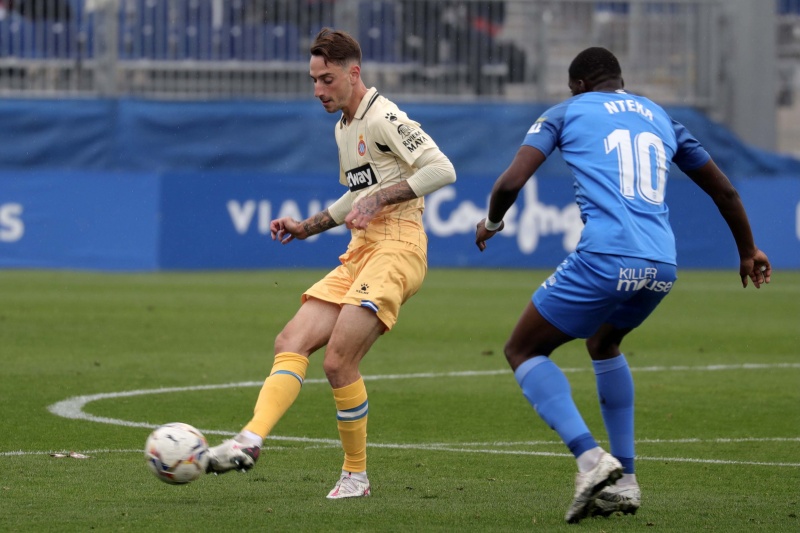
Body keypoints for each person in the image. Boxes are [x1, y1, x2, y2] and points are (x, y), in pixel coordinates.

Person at [474, 47, 771, 523]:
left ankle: (590, 458)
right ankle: (626, 481)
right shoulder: (661, 117)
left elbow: (511, 182)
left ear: (578, 85)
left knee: (523, 350)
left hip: (607, 256)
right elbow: (725, 189)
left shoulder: (565, 112)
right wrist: (748, 249)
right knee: (604, 342)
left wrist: (492, 222)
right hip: (662, 264)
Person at [205, 27, 456, 499]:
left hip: (397, 248)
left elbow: (442, 168)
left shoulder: (384, 117)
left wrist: (380, 199)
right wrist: (307, 226)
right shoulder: (343, 126)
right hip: (361, 252)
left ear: (353, 73)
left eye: (326, 79)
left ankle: (355, 476)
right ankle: (249, 440)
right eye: (314, 80)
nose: (318, 90)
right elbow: (357, 194)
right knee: (290, 340)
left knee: (339, 361)